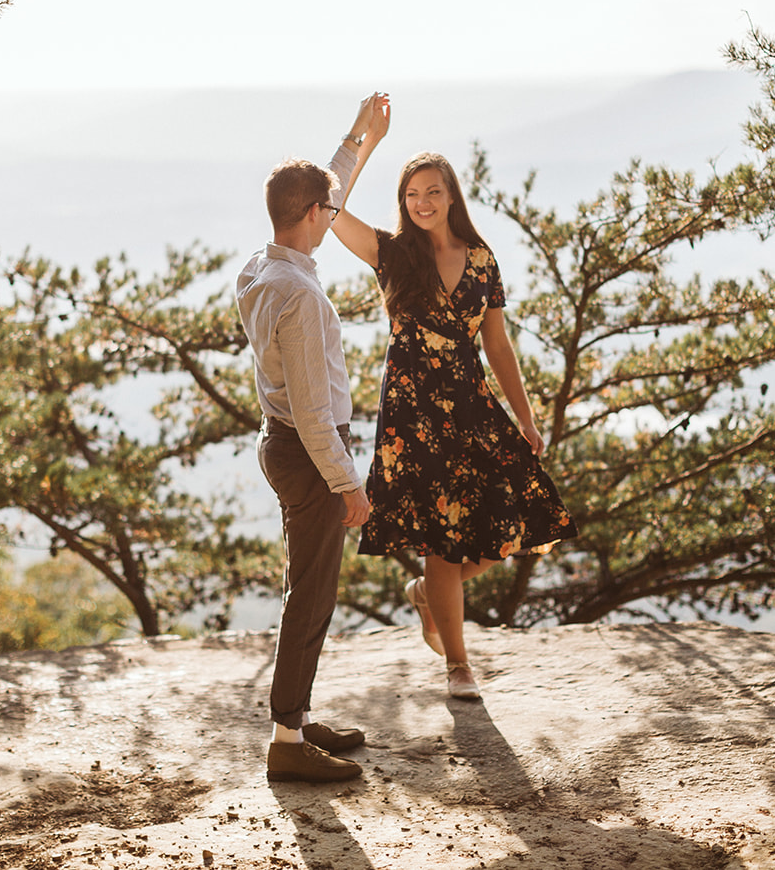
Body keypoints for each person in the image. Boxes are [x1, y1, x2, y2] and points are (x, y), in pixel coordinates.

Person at [328, 93, 577, 700]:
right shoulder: (390, 253)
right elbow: (327, 208)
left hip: (470, 402)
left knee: (517, 518)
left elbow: (498, 346)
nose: (422, 203)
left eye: (433, 191)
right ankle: (459, 667)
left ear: (452, 196)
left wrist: (525, 416)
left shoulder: (483, 259)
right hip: (412, 411)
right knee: (442, 538)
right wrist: (365, 137)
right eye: (412, 194)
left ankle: (427, 595)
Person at [235, 96, 387, 783]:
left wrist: (360, 137)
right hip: (307, 451)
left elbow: (323, 187)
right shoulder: (298, 296)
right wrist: (347, 482)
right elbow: (312, 407)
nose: (334, 213)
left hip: (282, 443)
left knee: (307, 587)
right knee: (312, 596)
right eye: (328, 210)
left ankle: (294, 717)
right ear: (310, 217)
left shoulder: (260, 269)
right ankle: (288, 742)